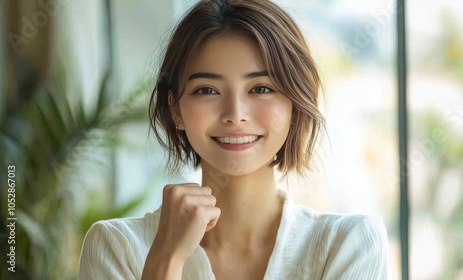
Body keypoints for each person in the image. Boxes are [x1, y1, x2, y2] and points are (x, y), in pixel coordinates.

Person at [78, 0, 388, 279]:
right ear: (175, 109)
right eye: (207, 90)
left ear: (295, 103)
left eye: (261, 88)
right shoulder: (115, 247)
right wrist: (167, 259)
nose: (235, 115)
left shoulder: (350, 244)